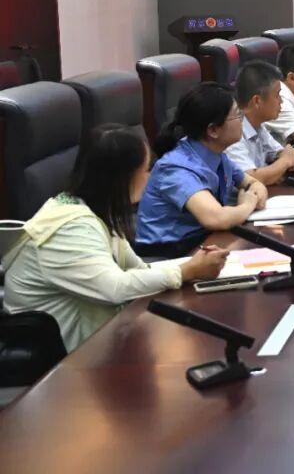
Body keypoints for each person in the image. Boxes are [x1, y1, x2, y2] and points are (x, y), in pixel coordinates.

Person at [2, 125, 228, 352]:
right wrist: (185, 271)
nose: (150, 177)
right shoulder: (71, 228)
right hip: (58, 360)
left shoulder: (96, 211)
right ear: (123, 177)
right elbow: (114, 288)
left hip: (94, 341)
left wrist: (194, 266)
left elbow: (139, 269)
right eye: (146, 170)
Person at [135, 83, 268, 256]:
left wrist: (253, 193)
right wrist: (247, 204)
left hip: (203, 242)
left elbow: (254, 184)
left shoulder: (216, 154)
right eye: (237, 115)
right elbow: (216, 218)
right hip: (167, 256)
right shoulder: (176, 168)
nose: (242, 120)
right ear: (213, 130)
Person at [225, 61, 294, 186]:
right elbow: (249, 179)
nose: (281, 101)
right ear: (257, 101)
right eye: (277, 95)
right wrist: (285, 162)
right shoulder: (232, 132)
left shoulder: (258, 125)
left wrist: (289, 157)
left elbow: (282, 152)